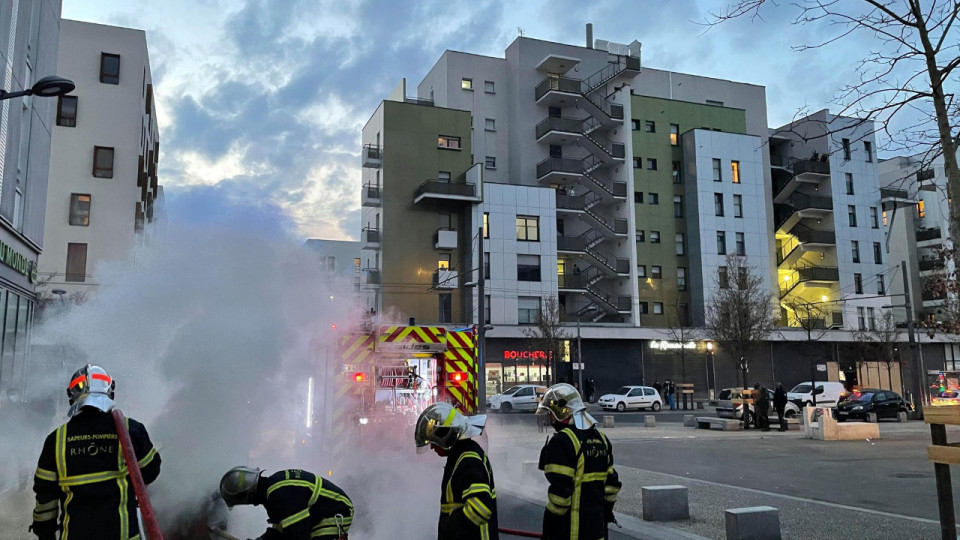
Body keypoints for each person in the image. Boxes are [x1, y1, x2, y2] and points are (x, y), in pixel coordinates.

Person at [31, 365, 161, 540]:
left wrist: (45, 534)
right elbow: (151, 471)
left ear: (71, 396)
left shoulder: (56, 439)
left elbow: (45, 497)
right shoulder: (131, 430)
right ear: (110, 393)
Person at [537, 383, 621, 540]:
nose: (550, 418)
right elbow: (612, 485)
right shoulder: (601, 439)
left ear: (561, 411)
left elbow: (560, 497)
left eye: (550, 413)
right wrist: (606, 510)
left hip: (570, 532)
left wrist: (550, 528)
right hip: (596, 530)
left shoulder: (562, 441)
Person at [415, 402, 498, 540]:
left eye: (434, 442)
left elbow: (481, 508)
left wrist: (450, 528)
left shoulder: (468, 461)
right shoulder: (461, 455)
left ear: (445, 437)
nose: (432, 448)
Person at [219, 466, 354, 539]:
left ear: (248, 496)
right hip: (319, 514)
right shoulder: (273, 490)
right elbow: (279, 532)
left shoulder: (279, 496)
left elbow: (297, 535)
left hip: (336, 512)